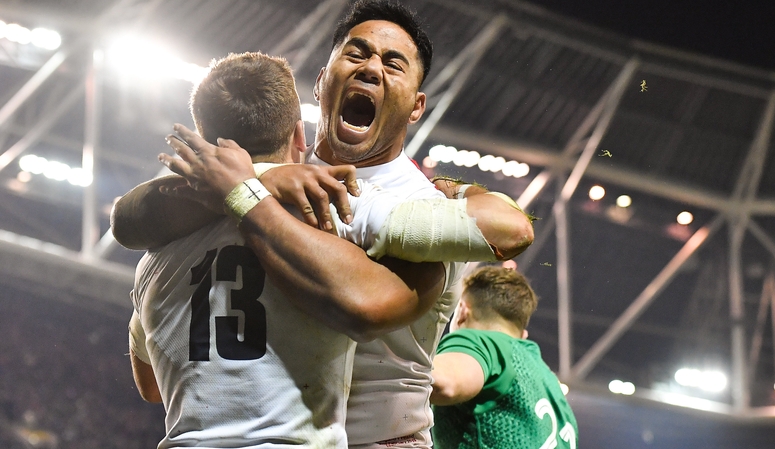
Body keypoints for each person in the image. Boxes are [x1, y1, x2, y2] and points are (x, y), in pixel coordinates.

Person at [114, 1, 535, 448]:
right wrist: (263, 178)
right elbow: (128, 218)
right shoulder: (273, 164)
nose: (371, 68)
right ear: (319, 83)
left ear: (416, 107)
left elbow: (509, 231)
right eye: (356, 54)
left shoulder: (423, 206)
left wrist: (247, 189)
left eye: (393, 64)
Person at [127, 51, 446, 449]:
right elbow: (380, 301)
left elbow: (150, 386)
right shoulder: (333, 213)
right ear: (300, 136)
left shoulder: (153, 259)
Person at [430, 266, 578, 449]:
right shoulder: (552, 388)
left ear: (462, 312)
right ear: (522, 334)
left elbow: (444, 383)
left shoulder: (481, 341)